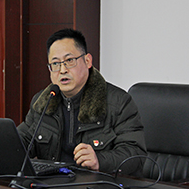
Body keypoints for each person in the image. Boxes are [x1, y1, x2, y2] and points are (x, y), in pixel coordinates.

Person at [18, 29, 147, 175]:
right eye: (55, 63)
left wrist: (99, 160)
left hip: (97, 183)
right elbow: (22, 141)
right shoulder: (43, 102)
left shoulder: (118, 103)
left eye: (69, 61)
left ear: (87, 61)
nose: (62, 70)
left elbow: (136, 156)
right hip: (52, 182)